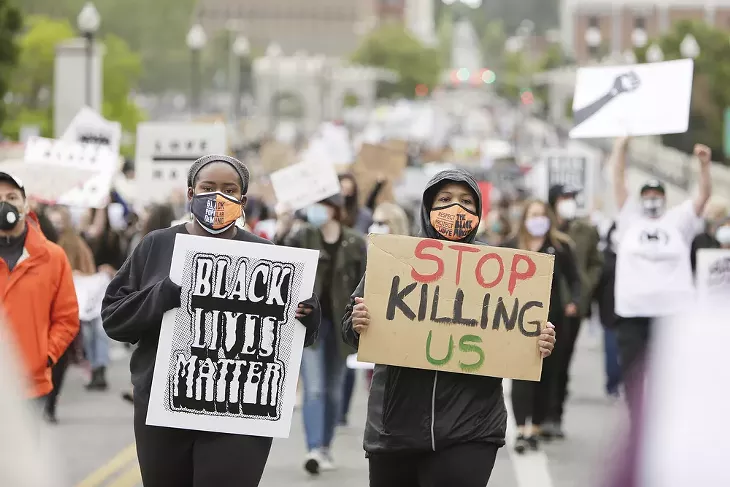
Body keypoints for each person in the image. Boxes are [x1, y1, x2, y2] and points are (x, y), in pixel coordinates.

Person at [102, 154, 322, 487]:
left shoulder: (267, 254)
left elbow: (291, 339)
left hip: (238, 411)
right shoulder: (157, 245)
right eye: (208, 187)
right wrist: (163, 294)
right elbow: (115, 319)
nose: (218, 196)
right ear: (191, 194)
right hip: (164, 409)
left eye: (228, 189)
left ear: (243, 200)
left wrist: (308, 315)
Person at [342, 169, 556, 487]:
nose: (455, 208)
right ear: (428, 208)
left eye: (466, 201)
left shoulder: (498, 268)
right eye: (444, 199)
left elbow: (515, 330)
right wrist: (356, 323)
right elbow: (350, 329)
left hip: (471, 427)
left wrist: (538, 340)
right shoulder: (397, 260)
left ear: (478, 212)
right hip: (396, 427)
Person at [611, 137, 711, 420]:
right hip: (632, 314)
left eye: (657, 194)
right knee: (632, 373)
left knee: (670, 374)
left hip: (671, 314)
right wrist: (621, 149)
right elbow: (619, 181)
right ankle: (638, 422)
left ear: (665, 198)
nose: (652, 198)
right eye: (647, 194)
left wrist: (703, 165)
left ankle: (668, 423)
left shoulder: (679, 221)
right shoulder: (629, 218)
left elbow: (703, 197)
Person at [275, 194, 367, 475]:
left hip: (342, 325)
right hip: (310, 324)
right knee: (314, 388)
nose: (316, 210)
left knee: (334, 388)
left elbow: (366, 281)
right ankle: (314, 448)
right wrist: (282, 227)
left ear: (334, 209)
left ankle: (325, 446)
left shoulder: (354, 241)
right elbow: (279, 259)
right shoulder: (303, 235)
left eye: (323, 205)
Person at [504, 199, 581, 452]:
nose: (538, 219)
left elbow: (576, 281)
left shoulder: (560, 248)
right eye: (533, 214)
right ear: (524, 218)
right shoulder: (511, 246)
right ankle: (521, 430)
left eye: (541, 214)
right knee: (521, 375)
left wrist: (575, 304)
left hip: (552, 320)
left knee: (546, 374)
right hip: (518, 320)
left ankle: (535, 427)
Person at [0, 172, 80, 409]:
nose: (5, 204)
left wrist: (44, 357)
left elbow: (67, 318)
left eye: (12, 197)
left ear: (25, 205)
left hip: (31, 388)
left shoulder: (52, 257)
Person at [340, 201, 409, 426]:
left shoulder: (411, 259)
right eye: (374, 222)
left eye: (382, 222)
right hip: (373, 334)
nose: (375, 227)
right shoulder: (365, 250)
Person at [546, 184, 603, 438]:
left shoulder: (585, 230)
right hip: (545, 306)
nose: (569, 202)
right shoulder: (544, 228)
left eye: (572, 198)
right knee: (543, 364)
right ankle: (539, 415)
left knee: (562, 361)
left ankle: (556, 416)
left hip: (573, 308)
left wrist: (585, 289)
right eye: (564, 198)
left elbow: (596, 264)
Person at [44, 205, 97, 421]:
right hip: (40, 308)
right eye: (52, 221)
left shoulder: (74, 244)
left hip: (66, 307)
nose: (56, 225)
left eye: (60, 221)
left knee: (59, 358)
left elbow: (88, 270)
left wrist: (78, 274)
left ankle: (50, 402)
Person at [83, 203, 127, 389]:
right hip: (86, 288)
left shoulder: (113, 238)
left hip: (104, 288)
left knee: (100, 331)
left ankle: (99, 369)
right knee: (87, 333)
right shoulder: (84, 238)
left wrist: (112, 271)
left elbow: (124, 265)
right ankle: (94, 368)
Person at [690, 200, 728, 273]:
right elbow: (692, 264)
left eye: (719, 215)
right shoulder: (699, 239)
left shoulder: (726, 239)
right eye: (714, 214)